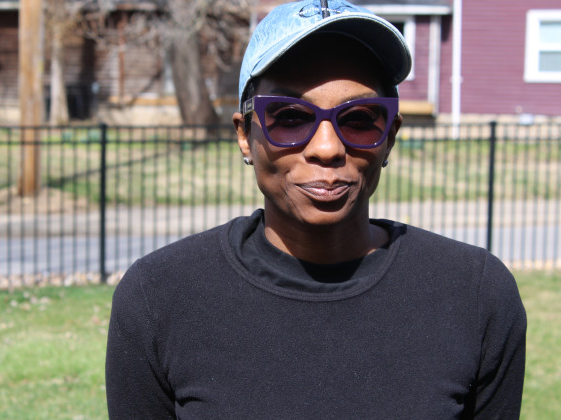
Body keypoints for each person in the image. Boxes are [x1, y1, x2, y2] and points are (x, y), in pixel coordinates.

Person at [105, 0, 526, 418]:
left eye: (360, 118)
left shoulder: (475, 296)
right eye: (289, 117)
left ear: (389, 137)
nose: (327, 148)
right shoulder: (159, 298)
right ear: (245, 136)